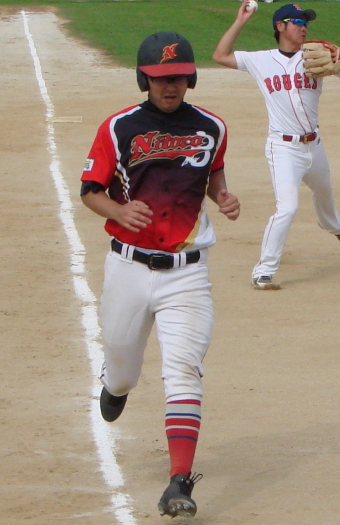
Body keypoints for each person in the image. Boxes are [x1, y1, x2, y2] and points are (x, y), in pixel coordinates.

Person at [80, 31, 240, 518]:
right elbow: (90, 190)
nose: (169, 86)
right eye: (159, 78)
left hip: (187, 274)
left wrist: (222, 195)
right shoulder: (119, 127)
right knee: (124, 372)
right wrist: (118, 210)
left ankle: (179, 482)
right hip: (128, 268)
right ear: (143, 79)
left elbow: (212, 172)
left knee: (183, 371)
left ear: (190, 78)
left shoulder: (211, 127)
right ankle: (115, 384)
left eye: (178, 78)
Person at [213, 2, 340, 290]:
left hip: (314, 145)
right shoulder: (261, 60)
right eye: (298, 22)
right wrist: (241, 20)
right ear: (280, 26)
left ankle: (334, 227)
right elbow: (220, 55)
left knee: (324, 191)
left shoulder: (317, 56)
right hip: (283, 149)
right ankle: (264, 271)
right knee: (287, 207)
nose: (304, 27)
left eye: (306, 22)